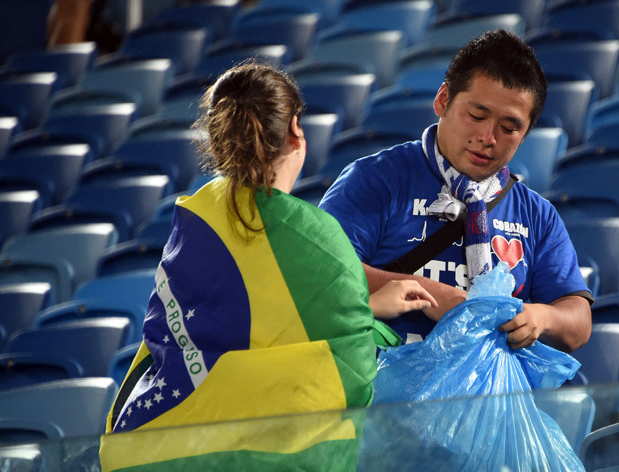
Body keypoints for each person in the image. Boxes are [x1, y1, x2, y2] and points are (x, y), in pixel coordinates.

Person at [101, 61, 434, 471]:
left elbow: (228, 326)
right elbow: (346, 365)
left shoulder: (198, 213)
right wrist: (377, 327)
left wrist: (373, 306)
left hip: (157, 446)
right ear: (296, 130)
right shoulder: (317, 236)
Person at [319, 30, 592, 352]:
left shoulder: (537, 214)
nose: (488, 137)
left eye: (509, 128)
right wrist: (420, 290)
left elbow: (578, 324)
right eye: (477, 116)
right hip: (380, 392)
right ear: (443, 100)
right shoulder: (376, 179)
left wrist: (541, 316)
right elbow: (321, 270)